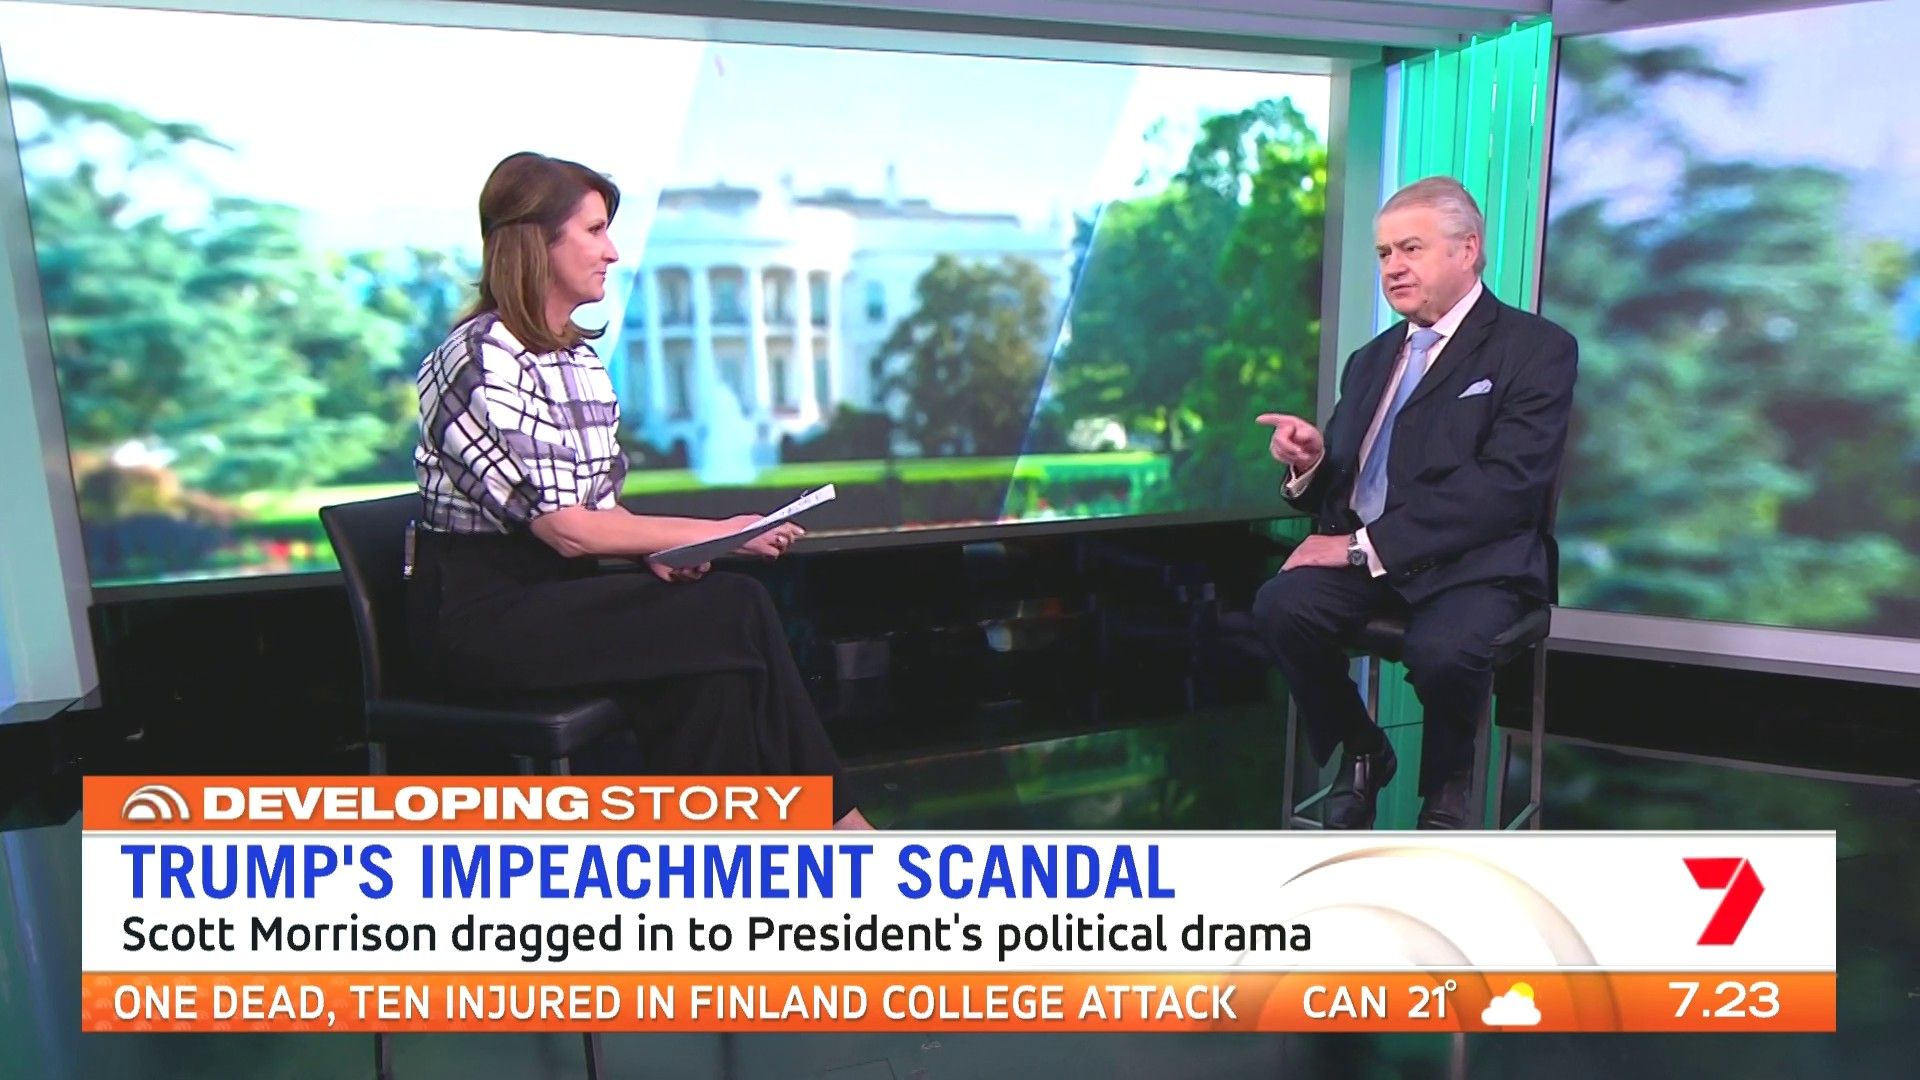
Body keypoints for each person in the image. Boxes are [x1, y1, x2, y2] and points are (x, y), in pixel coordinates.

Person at [409, 150, 872, 829]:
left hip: (562, 595)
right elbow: (569, 529)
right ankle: (839, 826)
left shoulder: (576, 358)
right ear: (537, 242)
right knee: (736, 605)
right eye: (595, 231)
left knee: (712, 673)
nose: (613, 252)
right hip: (484, 617)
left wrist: (661, 550)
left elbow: (601, 510)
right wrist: (715, 533)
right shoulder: (481, 355)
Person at [1250, 177, 1576, 830]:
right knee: (1280, 606)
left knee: (1445, 650)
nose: (1393, 267)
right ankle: (1364, 750)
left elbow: (1506, 488)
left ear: (1467, 250)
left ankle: (1448, 789)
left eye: (1411, 249)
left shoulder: (1537, 349)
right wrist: (1310, 463)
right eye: (1384, 253)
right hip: (1374, 561)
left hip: (1478, 565)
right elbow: (1356, 482)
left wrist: (1357, 548)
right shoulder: (1370, 360)